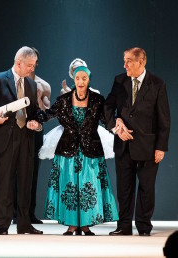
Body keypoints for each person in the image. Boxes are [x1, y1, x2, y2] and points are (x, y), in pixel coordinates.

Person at [28, 66, 119, 235]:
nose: (81, 82)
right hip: (67, 150)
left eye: (84, 78)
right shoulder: (64, 100)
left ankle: (85, 224)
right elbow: (48, 114)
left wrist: (119, 126)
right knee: (69, 187)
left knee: (88, 187)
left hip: (90, 150)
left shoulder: (98, 100)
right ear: (74, 80)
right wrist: (35, 120)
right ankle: (72, 225)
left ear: (89, 80)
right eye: (78, 78)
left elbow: (108, 121)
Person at [104, 47, 171, 236]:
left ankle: (143, 226)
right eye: (124, 60)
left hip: (148, 147)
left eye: (128, 61)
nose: (124, 65)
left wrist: (161, 147)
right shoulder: (120, 81)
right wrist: (116, 126)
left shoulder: (157, 84)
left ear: (141, 62)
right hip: (124, 145)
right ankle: (123, 226)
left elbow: (164, 119)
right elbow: (107, 107)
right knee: (124, 188)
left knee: (146, 188)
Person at [0, 46, 43, 235]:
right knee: (5, 182)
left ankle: (24, 223)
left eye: (33, 65)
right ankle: (3, 225)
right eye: (29, 65)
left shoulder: (32, 85)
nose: (32, 69)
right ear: (18, 62)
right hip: (6, 136)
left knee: (25, 181)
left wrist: (37, 121)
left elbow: (34, 112)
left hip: (26, 138)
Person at [39, 58, 114, 160]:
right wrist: (34, 118)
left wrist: (117, 128)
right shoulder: (64, 96)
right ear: (72, 74)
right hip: (69, 137)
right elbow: (51, 113)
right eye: (75, 70)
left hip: (90, 138)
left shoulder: (96, 96)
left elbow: (105, 118)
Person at [13, 47, 51, 224]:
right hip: (18, 128)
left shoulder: (43, 85)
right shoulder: (15, 80)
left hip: (35, 130)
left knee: (33, 171)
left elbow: (46, 111)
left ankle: (30, 211)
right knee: (14, 171)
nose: (31, 66)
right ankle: (15, 211)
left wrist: (43, 104)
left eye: (33, 63)